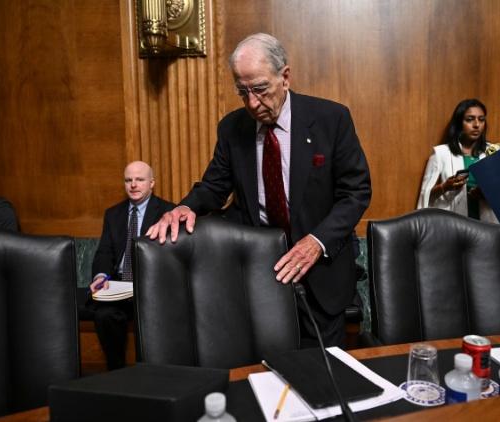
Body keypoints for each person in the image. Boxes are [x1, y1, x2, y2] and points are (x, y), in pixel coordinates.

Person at [146, 33, 371, 348]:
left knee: (320, 365)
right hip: (257, 272)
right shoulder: (232, 128)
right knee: (263, 363)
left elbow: (356, 192)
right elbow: (214, 186)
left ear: (285, 77)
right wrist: (186, 207)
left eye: (261, 89)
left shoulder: (331, 119)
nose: (252, 103)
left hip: (319, 270)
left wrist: (317, 242)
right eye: (243, 92)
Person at [88, 161, 175, 369]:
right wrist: (101, 276)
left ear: (152, 183)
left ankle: (151, 373)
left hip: (151, 287)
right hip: (118, 287)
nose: (133, 185)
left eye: (139, 179)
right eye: (128, 180)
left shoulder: (168, 212)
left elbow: (171, 258)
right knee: (104, 315)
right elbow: (104, 252)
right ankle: (116, 372)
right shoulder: (113, 214)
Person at [417, 99, 499, 222]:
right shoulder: (441, 153)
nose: (477, 125)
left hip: (487, 224)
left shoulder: (493, 151)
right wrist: (445, 187)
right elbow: (425, 196)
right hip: (453, 224)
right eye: (470, 119)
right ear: (459, 123)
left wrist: (486, 193)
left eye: (481, 119)